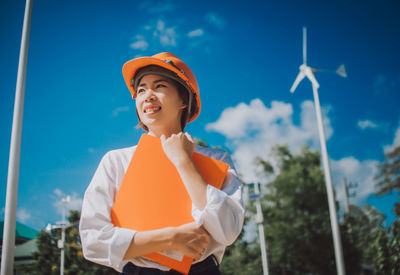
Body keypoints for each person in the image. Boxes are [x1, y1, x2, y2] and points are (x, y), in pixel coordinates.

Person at [79, 52, 244, 275]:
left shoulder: (217, 160)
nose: (148, 95)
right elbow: (93, 241)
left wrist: (184, 161)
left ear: (183, 100)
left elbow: (227, 231)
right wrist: (172, 238)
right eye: (141, 90)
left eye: (159, 86)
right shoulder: (116, 161)